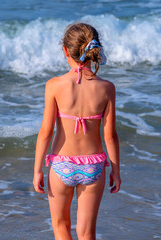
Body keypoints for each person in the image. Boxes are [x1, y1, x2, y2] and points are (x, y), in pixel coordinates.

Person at [33, 23, 121, 240]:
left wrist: (37, 171)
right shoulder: (107, 88)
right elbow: (110, 136)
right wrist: (116, 172)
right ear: (93, 51)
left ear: (65, 50)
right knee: (87, 233)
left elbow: (45, 132)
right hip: (93, 166)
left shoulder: (54, 85)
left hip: (62, 164)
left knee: (61, 227)